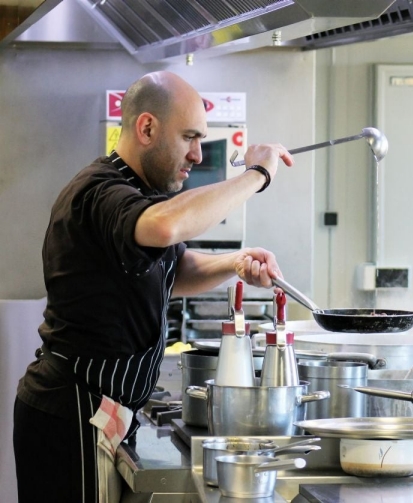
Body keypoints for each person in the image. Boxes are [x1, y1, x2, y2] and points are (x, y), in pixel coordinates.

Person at [13, 71, 293, 503]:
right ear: (146, 128)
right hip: (73, 412)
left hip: (102, 412)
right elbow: (165, 227)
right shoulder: (102, 191)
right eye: (190, 137)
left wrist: (234, 262)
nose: (198, 154)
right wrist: (256, 175)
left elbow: (174, 269)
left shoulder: (139, 195)